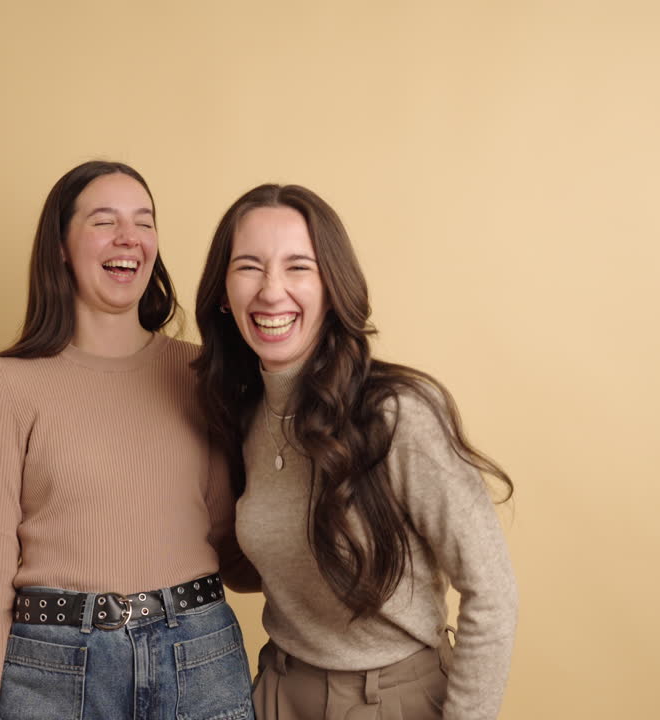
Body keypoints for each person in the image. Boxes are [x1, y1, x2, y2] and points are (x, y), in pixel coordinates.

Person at [0, 161, 256, 720]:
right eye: (103, 221)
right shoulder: (2, 386)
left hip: (198, 656)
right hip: (56, 670)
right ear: (60, 247)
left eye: (144, 221)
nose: (128, 238)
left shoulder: (199, 374)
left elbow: (237, 545)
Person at [192, 184, 518, 720]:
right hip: (277, 690)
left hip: (390, 700)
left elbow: (493, 594)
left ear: (332, 285)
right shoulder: (241, 414)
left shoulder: (396, 412)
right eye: (249, 266)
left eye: (300, 267)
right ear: (224, 293)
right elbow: (266, 560)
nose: (272, 291)